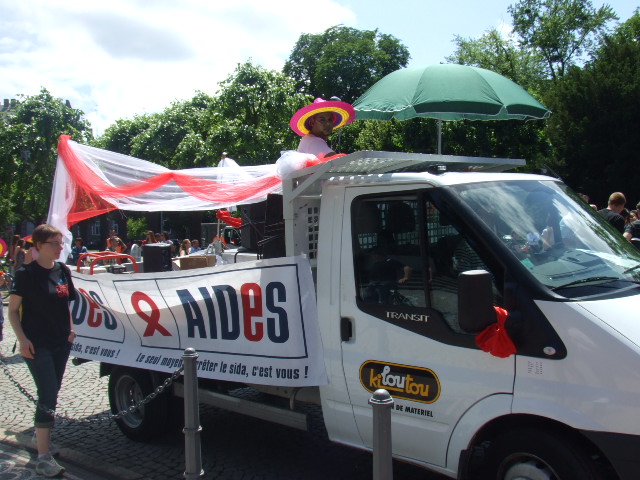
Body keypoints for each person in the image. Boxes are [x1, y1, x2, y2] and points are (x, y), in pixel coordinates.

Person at [8, 224, 77, 478]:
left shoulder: (62, 271)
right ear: (39, 245)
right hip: (37, 343)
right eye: (54, 243)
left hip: (61, 341)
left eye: (61, 243)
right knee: (47, 393)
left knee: (52, 392)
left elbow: (66, 303)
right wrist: (22, 339)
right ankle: (43, 456)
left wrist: (71, 330)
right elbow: (13, 311)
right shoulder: (26, 274)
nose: (59, 247)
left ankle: (43, 441)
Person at [290, 97, 355, 157]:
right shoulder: (314, 141)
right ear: (312, 122)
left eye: (330, 119)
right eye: (322, 120)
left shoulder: (309, 138)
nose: (328, 123)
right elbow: (336, 161)